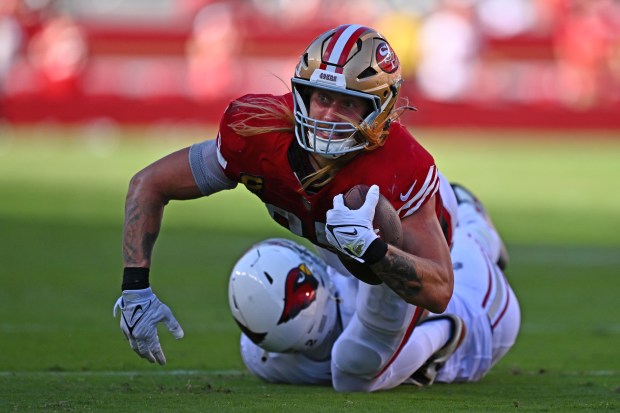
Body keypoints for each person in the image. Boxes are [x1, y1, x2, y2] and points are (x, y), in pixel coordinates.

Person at [113, 24, 507, 390]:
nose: (329, 116)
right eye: (321, 98)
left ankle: (458, 297)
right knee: (261, 357)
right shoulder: (256, 129)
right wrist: (135, 291)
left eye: (349, 104)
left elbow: (438, 287)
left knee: (353, 372)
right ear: (302, 92)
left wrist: (373, 249)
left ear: (380, 110)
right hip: (337, 247)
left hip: (398, 248)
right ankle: (348, 300)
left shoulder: (399, 166)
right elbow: (148, 185)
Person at [228, 185, 520, 391]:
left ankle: (470, 219)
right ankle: (472, 216)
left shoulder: (264, 359)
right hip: (481, 318)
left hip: (416, 312)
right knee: (468, 243)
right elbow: (450, 326)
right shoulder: (355, 357)